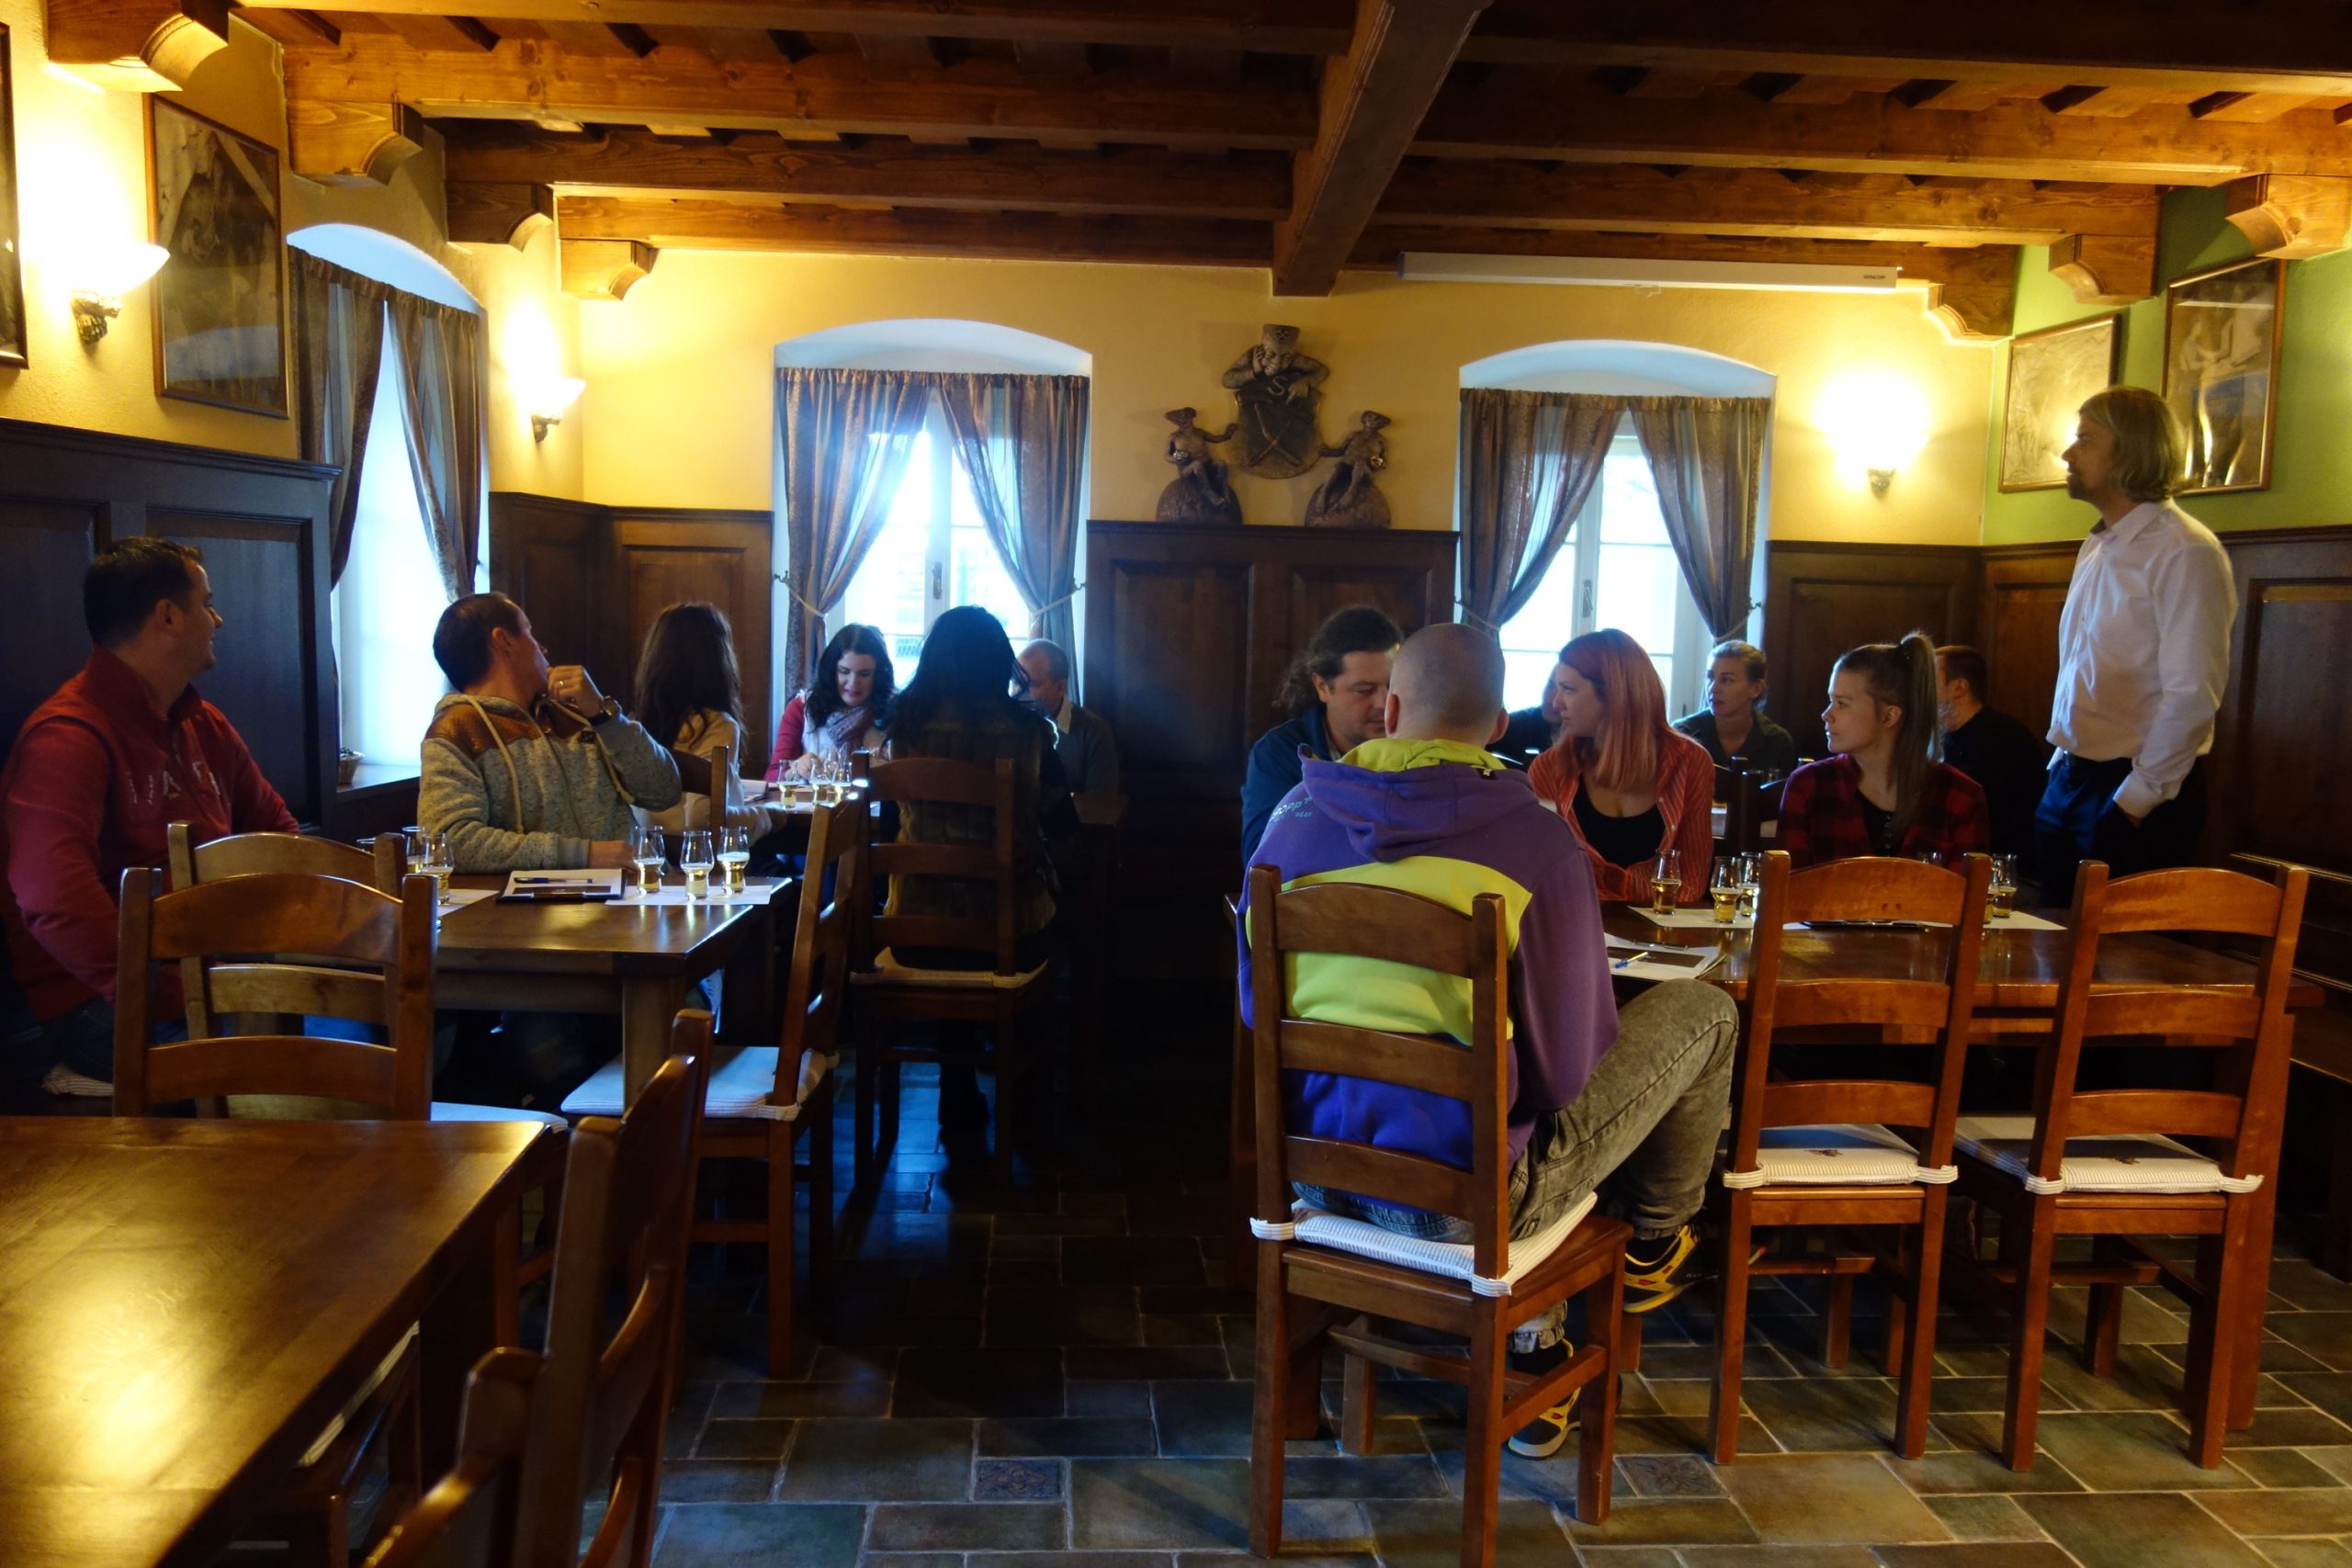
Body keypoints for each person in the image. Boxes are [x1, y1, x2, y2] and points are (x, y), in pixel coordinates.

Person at [1238, 623, 1737, 1460]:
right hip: (1463, 1203)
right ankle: (1656, 1237)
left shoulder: (1288, 821)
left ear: (1391, 708)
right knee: (1706, 1011)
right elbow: (1562, 1076)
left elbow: (1260, 1013)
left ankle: (1542, 1328)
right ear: (1501, 725)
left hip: (1316, 1175)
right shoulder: (1537, 842)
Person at [0, 537, 297, 1098]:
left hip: (212, 972)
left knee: (396, 1019)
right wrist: (169, 989)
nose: (218, 619)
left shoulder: (202, 723)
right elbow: (52, 899)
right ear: (167, 617)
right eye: (207, 603)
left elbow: (280, 835)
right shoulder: (68, 736)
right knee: (310, 1070)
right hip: (100, 1005)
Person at [2038, 386, 2235, 903]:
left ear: (2130, 451)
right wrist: (2060, 766)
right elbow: (2082, 665)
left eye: (2085, 439)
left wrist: (2136, 800)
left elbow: (2192, 694)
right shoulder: (2097, 545)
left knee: (2120, 948)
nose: (2068, 454)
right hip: (2070, 776)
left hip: (2136, 790)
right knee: (2048, 937)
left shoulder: (2185, 551)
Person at [419, 592, 681, 873]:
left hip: (643, 886)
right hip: (547, 898)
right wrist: (582, 854)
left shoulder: (577, 711)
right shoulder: (454, 731)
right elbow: (448, 842)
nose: (543, 648)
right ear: (504, 640)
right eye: (529, 632)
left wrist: (604, 716)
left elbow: (664, 792)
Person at [886, 606, 1080, 974]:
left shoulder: (904, 733)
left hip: (916, 934)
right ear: (1000, 664)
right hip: (1012, 935)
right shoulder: (1028, 735)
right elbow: (1063, 829)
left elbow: (890, 829)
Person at [1526, 630, 1714, 905]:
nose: (1556, 703)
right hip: (1579, 923)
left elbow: (1692, 879)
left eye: (1568, 689)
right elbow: (1543, 875)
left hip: (1664, 925)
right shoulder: (1549, 769)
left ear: (1614, 694)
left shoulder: (1690, 761)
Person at [1779, 632, 1989, 868]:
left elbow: (1966, 890)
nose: (1826, 714)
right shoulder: (1808, 786)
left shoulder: (1961, 797)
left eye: (1842, 703)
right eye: (1831, 701)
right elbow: (1790, 886)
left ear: (1889, 716)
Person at [1241, 604, 1401, 863]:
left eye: (1392, 686)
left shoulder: (1419, 744)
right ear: (1322, 686)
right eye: (1364, 690)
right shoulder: (1278, 753)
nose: (1383, 703)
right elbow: (1261, 856)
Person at [630, 601, 771, 839]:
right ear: (718, 660)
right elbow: (701, 818)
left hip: (648, 855)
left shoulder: (634, 727)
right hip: (699, 859)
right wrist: (764, 817)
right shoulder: (717, 726)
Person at [1935, 644, 2049, 863]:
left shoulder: (2003, 737)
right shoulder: (1940, 736)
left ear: (1959, 687)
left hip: (2002, 867)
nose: (1920, 691)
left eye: (1929, 681)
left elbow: (1967, 807)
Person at [767, 623, 893, 784]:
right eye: (844, 671)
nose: (853, 683)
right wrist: (796, 768)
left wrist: (892, 765)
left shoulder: (894, 712)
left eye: (864, 674)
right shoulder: (801, 708)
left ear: (879, 675)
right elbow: (772, 777)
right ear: (831, 670)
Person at [1676, 640, 1799, 781]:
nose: (1713, 688)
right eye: (1710, 677)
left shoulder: (1777, 741)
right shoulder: (1684, 733)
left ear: (1756, 689)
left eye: (1726, 680)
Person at [1017, 637, 1121, 796]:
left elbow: (1100, 804)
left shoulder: (1094, 733)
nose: (1018, 691)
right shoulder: (1006, 726)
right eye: (1015, 682)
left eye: (1032, 685)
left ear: (1060, 688)